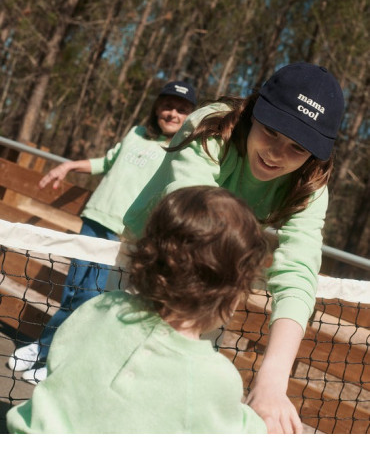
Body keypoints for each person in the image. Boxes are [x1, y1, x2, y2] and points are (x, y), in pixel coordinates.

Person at [122, 62, 345, 434]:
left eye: (297, 147)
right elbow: (190, 214)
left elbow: (297, 272)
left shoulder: (311, 186)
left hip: (216, 278)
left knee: (180, 393)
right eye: (271, 131)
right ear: (254, 110)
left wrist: (273, 380)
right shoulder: (211, 125)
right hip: (152, 254)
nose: (275, 154)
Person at [7, 186, 269, 434]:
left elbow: (60, 358)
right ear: (231, 294)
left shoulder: (101, 307)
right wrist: (263, 423)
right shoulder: (217, 380)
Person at [7, 80, 197, 384]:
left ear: (190, 116)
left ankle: (54, 358)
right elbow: (106, 162)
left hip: (125, 233)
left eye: (181, 109)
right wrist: (67, 167)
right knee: (72, 291)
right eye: (168, 105)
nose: (172, 113)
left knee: (89, 298)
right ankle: (43, 350)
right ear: (157, 107)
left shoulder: (183, 152)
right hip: (93, 219)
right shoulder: (136, 133)